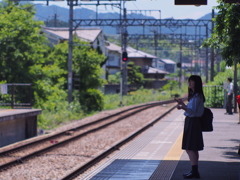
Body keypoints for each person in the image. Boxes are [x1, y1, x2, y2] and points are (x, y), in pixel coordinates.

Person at [174, 75, 205, 179]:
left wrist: (183, 107)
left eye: (191, 81)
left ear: (196, 83)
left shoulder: (197, 96)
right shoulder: (195, 95)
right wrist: (183, 104)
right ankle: (194, 171)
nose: (189, 83)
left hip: (193, 122)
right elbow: (191, 109)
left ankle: (194, 171)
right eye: (189, 81)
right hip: (192, 122)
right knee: (193, 147)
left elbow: (192, 111)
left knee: (190, 148)